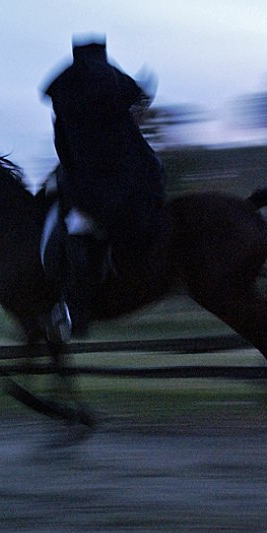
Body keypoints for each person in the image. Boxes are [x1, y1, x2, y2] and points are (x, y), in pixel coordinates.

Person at [41, 37, 165, 338]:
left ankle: (78, 310)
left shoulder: (70, 109)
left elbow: (66, 153)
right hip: (144, 187)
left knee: (75, 229)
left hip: (98, 192)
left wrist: (64, 178)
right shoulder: (118, 108)